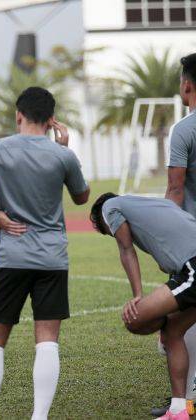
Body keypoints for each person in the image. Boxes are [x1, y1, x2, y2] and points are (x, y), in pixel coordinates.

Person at [0, 87, 89, 420]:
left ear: (19, 115)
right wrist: (64, 151)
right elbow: (81, 197)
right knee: (47, 340)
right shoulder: (62, 155)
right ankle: (39, 417)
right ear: (50, 120)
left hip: (11, 258)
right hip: (52, 259)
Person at [90, 193, 196, 420]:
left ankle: (161, 326)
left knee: (135, 318)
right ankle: (178, 411)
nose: (113, 232)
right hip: (189, 266)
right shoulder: (149, 204)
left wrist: (138, 295)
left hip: (194, 267)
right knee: (173, 331)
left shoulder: (110, 207)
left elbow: (126, 249)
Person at [155, 52, 196, 417]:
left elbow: (175, 189)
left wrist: (166, 241)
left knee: (181, 319)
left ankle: (186, 400)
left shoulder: (184, 129)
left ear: (186, 85)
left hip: (192, 239)